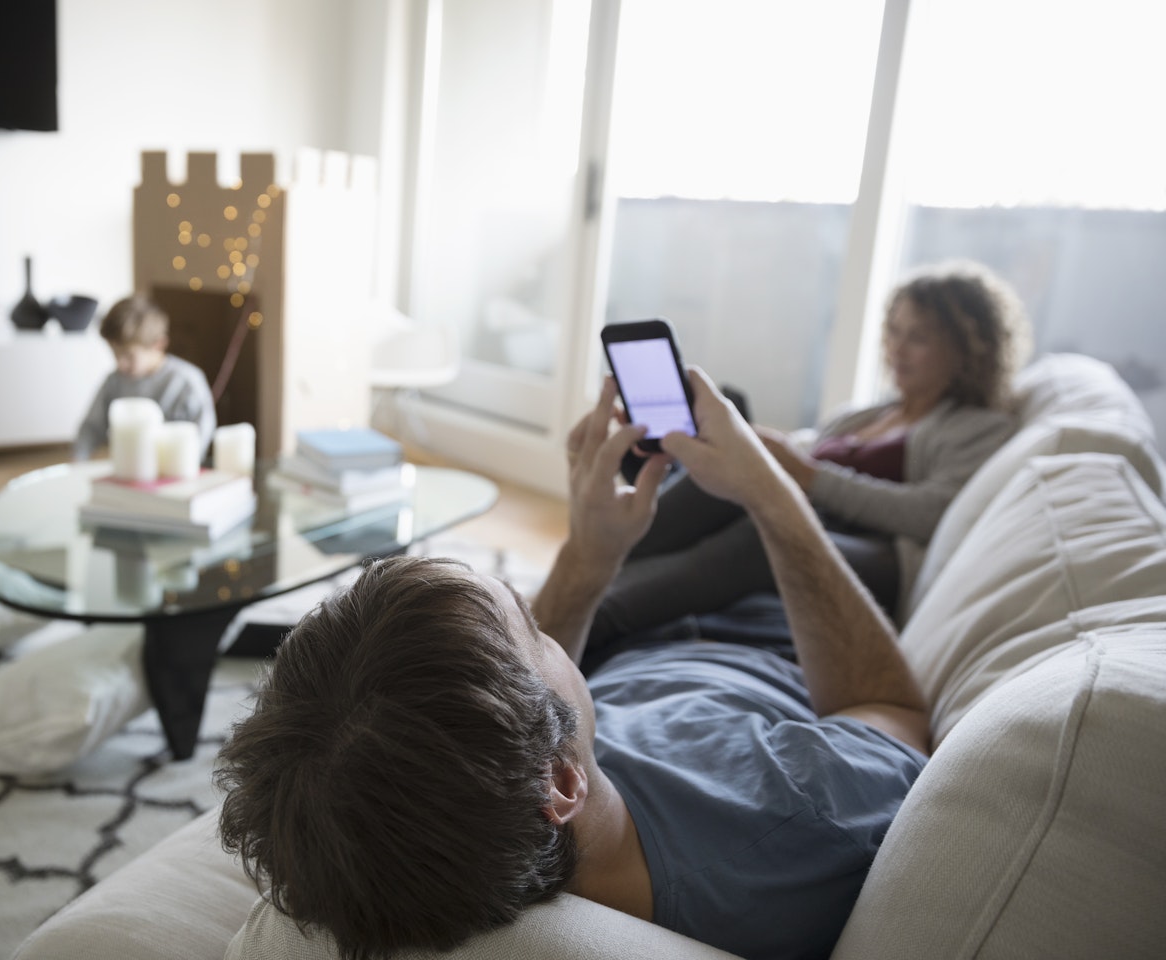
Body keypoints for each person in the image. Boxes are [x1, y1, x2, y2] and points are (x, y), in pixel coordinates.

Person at [216, 369, 931, 960]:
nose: (542, 623)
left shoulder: (452, 810)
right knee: (735, 492)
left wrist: (592, 556)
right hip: (764, 636)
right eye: (531, 627)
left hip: (637, 657)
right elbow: (893, 711)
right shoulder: (791, 814)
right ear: (561, 781)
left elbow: (509, 720)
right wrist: (773, 489)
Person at [590, 260, 1032, 651]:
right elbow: (806, 453)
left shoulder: (978, 426)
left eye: (917, 337)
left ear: (968, 350)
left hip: (875, 554)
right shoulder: (868, 414)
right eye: (894, 331)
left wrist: (807, 475)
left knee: (765, 531)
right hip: (809, 508)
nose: (897, 349)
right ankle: (596, 568)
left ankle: (598, 614)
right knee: (723, 453)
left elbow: (930, 514)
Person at [73, 294, 217, 463]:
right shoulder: (115, 381)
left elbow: (201, 434)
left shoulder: (187, 382)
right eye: (115, 354)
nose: (120, 364)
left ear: (158, 344)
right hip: (126, 471)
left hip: (171, 473)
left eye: (128, 355)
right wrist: (78, 460)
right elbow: (91, 427)